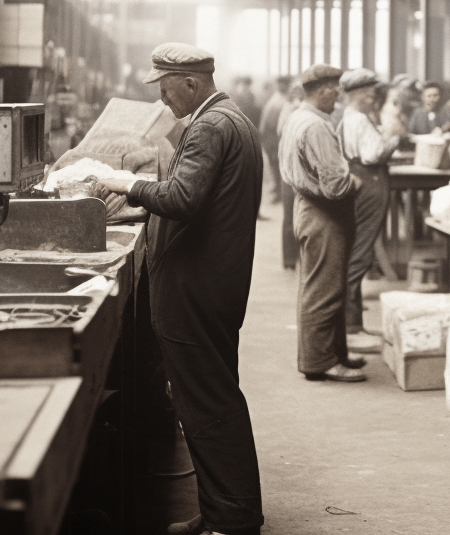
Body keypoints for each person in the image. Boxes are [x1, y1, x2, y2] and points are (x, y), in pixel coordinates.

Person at [98, 43, 264, 535]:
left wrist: (125, 183)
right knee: (210, 398)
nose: (162, 98)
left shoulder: (211, 126)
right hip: (213, 282)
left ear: (191, 83)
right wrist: (143, 200)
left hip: (197, 288)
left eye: (166, 88)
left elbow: (183, 198)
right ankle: (223, 510)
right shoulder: (229, 119)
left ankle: (231, 520)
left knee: (207, 404)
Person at [278, 64, 366, 383]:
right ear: (322, 90)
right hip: (324, 213)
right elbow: (335, 186)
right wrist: (355, 182)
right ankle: (320, 361)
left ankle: (335, 353)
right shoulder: (315, 126)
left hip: (308, 207)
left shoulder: (298, 117)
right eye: (335, 87)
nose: (338, 93)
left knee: (327, 285)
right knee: (323, 290)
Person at [339, 68, 404, 353]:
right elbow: (372, 154)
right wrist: (394, 138)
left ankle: (353, 323)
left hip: (363, 180)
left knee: (358, 251)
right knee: (361, 253)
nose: (372, 97)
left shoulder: (351, 117)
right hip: (370, 181)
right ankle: (349, 326)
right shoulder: (360, 120)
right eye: (368, 93)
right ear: (358, 94)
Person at [277, 81, 305, 270]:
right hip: (290, 171)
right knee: (291, 216)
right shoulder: (290, 112)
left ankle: (293, 258)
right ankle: (290, 259)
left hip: (291, 171)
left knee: (293, 216)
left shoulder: (291, 111)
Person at [259, 76, 292, 204]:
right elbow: (268, 121)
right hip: (272, 136)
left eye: (284, 84)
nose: (282, 86)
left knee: (279, 164)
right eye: (280, 84)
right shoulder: (277, 99)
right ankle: (278, 190)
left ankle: (279, 191)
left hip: (278, 136)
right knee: (275, 164)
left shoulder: (284, 99)